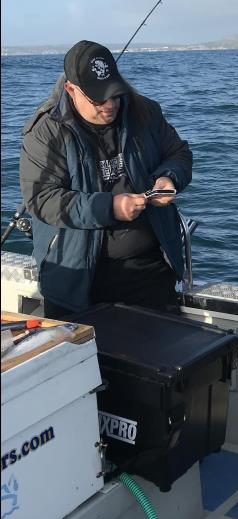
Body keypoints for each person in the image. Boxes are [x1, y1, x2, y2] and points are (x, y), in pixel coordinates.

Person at [20, 40, 193, 319]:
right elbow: (42, 199)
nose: (110, 105)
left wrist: (168, 178)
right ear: (71, 90)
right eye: (98, 98)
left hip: (150, 272)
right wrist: (109, 208)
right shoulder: (46, 132)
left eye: (115, 94)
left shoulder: (144, 111)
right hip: (78, 280)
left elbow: (179, 152)